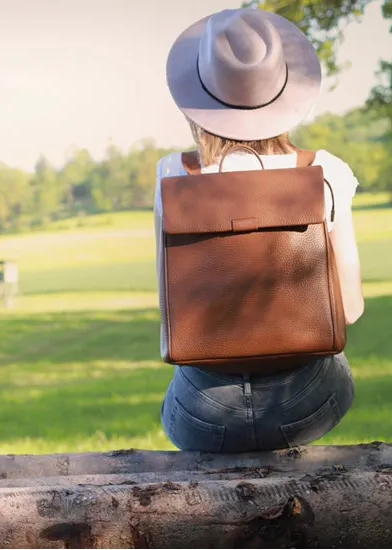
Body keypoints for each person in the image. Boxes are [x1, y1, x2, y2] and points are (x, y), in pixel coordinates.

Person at [154, 7, 366, 453]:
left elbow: (171, 308)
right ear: (282, 93)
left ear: (197, 98)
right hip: (306, 403)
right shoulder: (326, 171)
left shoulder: (172, 175)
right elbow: (349, 309)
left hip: (203, 411)